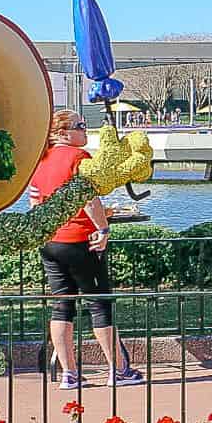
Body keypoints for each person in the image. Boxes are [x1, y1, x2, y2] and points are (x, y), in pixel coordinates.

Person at [28, 108, 144, 389]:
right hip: (80, 241)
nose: (85, 130)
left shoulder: (39, 160)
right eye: (80, 126)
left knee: (62, 305)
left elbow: (35, 203)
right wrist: (103, 229)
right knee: (99, 304)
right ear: (63, 133)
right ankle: (118, 370)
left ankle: (69, 373)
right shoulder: (79, 158)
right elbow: (89, 199)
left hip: (50, 242)